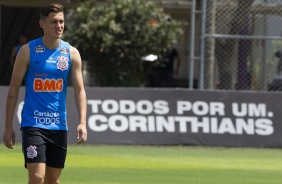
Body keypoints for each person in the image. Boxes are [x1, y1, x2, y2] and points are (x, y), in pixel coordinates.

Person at [3, 3, 87, 184]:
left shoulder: (71, 53)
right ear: (42, 24)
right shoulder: (27, 51)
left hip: (58, 126)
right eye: (54, 22)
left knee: (52, 180)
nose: (59, 26)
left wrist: (82, 122)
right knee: (37, 177)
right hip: (33, 124)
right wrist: (8, 126)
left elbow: (80, 90)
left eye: (61, 21)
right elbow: (13, 89)